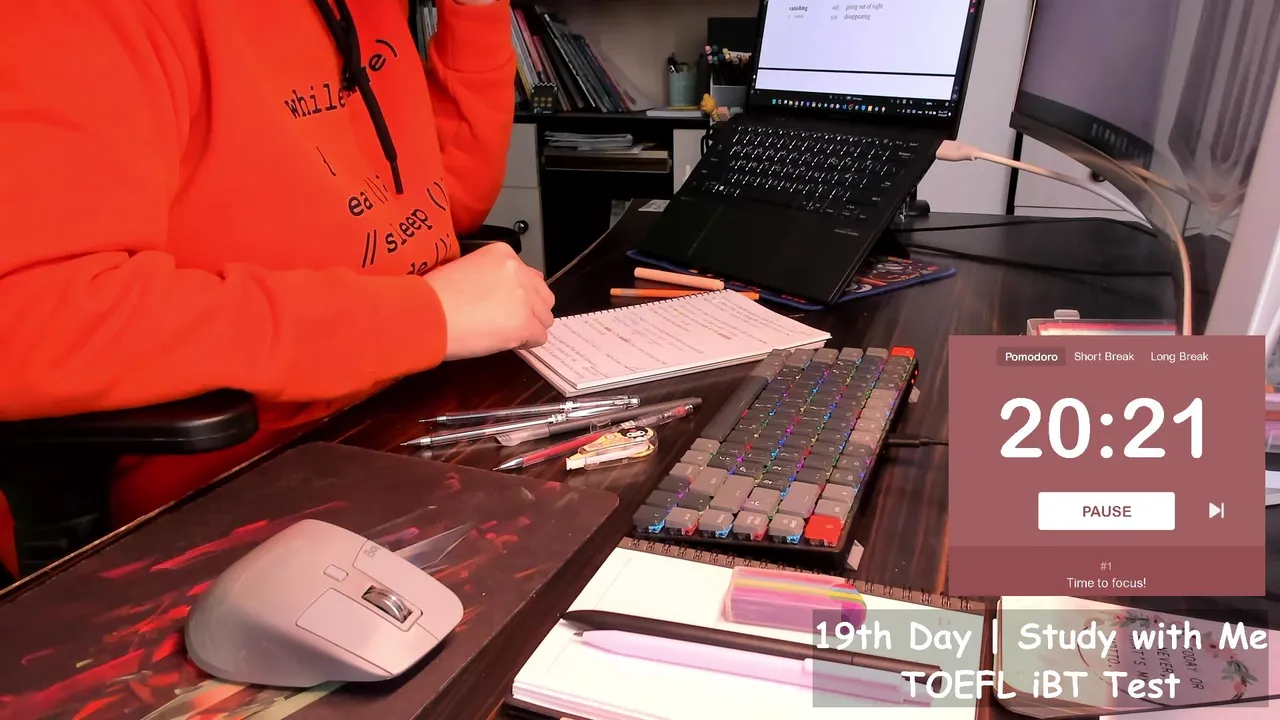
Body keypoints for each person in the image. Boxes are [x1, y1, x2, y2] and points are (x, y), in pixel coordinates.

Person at [0, 0, 552, 578]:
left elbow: (441, 205)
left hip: (403, 416)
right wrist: (418, 319)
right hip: (221, 498)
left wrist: (475, 11)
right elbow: (29, 318)